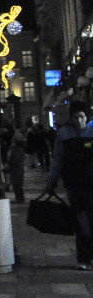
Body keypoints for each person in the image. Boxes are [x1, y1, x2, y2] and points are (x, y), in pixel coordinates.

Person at [47, 101, 93, 270]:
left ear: (87, 116)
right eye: (75, 117)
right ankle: (83, 257)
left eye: (81, 116)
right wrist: (52, 180)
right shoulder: (64, 134)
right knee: (81, 221)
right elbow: (58, 159)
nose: (78, 120)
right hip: (75, 184)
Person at [4, 134, 26, 204]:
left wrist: (10, 164)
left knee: (17, 184)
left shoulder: (17, 149)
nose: (12, 139)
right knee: (15, 184)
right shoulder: (14, 148)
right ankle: (19, 198)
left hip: (16, 168)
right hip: (15, 168)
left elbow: (16, 159)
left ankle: (20, 199)